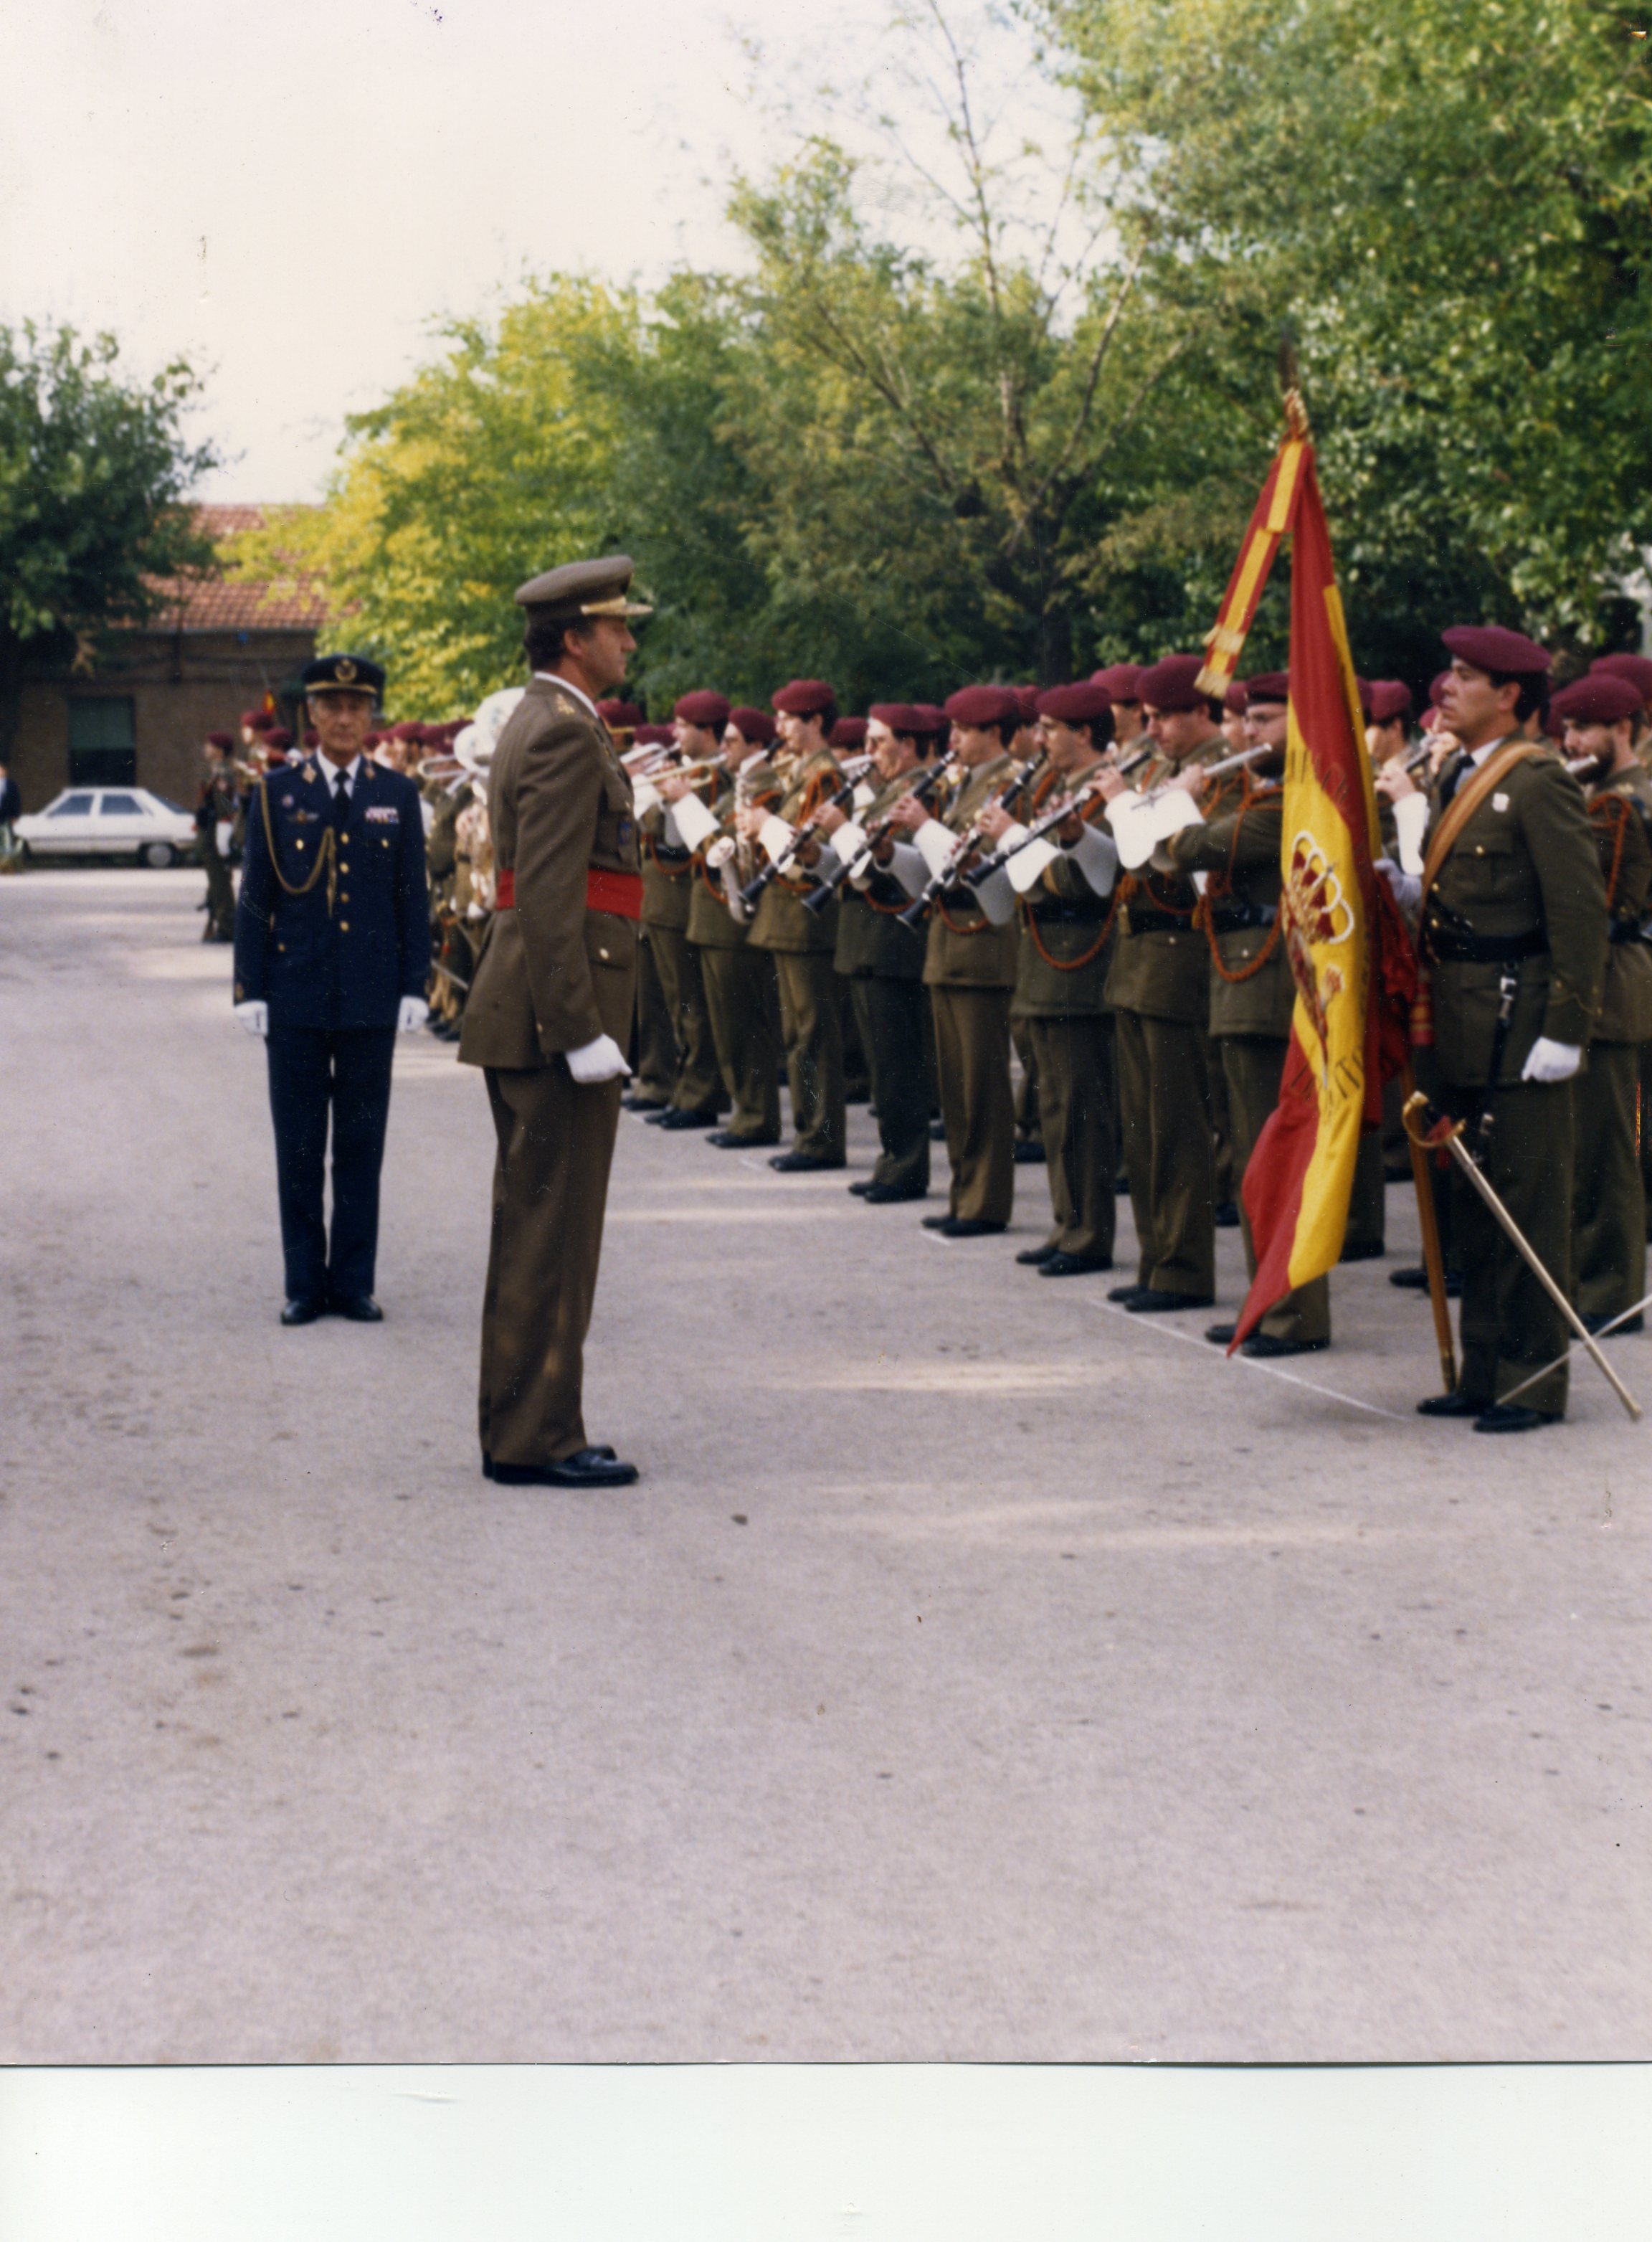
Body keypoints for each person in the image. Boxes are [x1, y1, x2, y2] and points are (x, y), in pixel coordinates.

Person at [457, 555, 650, 1489]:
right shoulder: (565, 730)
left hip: (538, 1003)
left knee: (542, 1223)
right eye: (618, 627)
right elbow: (548, 893)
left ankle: (531, 1423)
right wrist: (577, 1027)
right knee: (554, 1229)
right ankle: (538, 1435)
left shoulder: (548, 720)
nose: (630, 640)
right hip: (551, 1013)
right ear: (574, 637)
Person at [1410, 626, 1605, 1431]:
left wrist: (1567, 1029)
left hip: (1518, 1018)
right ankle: (1484, 1368)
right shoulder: (1459, 771)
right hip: (1458, 1015)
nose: (1445, 688)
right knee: (1475, 1201)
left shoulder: (1538, 781)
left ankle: (1531, 1379)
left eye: (1465, 677)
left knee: (1523, 1198)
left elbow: (1580, 914)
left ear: (1511, 696)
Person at [233, 656, 431, 1325]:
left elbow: (414, 898)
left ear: (370, 716)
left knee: (360, 1144)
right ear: (311, 716)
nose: (345, 717)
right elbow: (255, 899)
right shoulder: (275, 792)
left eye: (357, 706)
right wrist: (248, 987)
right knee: (297, 1144)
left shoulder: (398, 795)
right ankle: (302, 1285)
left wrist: (414, 984)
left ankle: (352, 1283)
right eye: (331, 705)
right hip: (294, 993)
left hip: (371, 996)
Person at [1161, 671, 1333, 1356]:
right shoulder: (1264, 791)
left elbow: (1196, 849)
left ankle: (1296, 1315)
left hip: (1269, 993)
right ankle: (1266, 1305)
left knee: (1279, 1161)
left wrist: (1181, 805)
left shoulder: (1296, 798)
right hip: (1242, 986)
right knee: (1252, 1163)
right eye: (1248, 719)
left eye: (1265, 719)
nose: (1248, 732)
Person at [1096, 655, 1233, 1312]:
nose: (1150, 730)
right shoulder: (1157, 769)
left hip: (1180, 958)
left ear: (1201, 712)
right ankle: (1157, 1260)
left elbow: (1165, 853)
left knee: (1178, 1127)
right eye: (1145, 717)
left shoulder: (1226, 771)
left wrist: (1130, 810)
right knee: (1143, 1126)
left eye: (1163, 717)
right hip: (1137, 959)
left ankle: (1183, 1268)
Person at [984, 681, 1121, 1275]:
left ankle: (1089, 1231)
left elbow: (1082, 880)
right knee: (1054, 1106)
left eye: (1051, 728)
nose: (1038, 739)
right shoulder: (1050, 786)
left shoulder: (1108, 792)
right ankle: (1067, 1222)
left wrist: (1014, 844)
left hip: (1080, 960)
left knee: (1081, 1107)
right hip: (1044, 959)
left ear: (1084, 733)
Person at [888, 685, 1023, 1238]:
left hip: (981, 941)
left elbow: (981, 866)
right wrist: (892, 852)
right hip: (949, 941)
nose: (954, 740)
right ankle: (962, 1192)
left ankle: (985, 1200)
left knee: (980, 1085)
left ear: (993, 734)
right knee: (955, 1084)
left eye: (964, 731)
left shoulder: (1008, 786)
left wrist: (923, 825)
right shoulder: (965, 784)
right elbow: (938, 865)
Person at [1552, 672, 1652, 1334]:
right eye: (1566, 729)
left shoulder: (1615, 804)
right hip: (1619, 976)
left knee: (1606, 1147)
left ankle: (1610, 1291)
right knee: (1603, 1139)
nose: (1572, 742)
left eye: (1584, 729)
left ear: (1623, 730)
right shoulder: (1617, 794)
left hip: (1612, 981)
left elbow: (1597, 900)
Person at [817, 701, 943, 1202]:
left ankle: (906, 1166)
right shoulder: (886, 791)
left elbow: (887, 865)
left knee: (898, 1063)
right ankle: (892, 1160)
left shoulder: (920, 790)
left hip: (893, 937)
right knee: (882, 1062)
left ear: (909, 745)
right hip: (868, 937)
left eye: (878, 742)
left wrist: (840, 832)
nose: (868, 752)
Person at [661, 704, 787, 1148]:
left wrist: (684, 801)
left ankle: (756, 1117)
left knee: (744, 1024)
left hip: (732, 918)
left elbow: (722, 844)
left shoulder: (763, 784)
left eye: (733, 741)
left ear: (756, 745)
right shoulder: (740, 784)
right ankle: (744, 1112)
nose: (726, 748)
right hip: (713, 916)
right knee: (726, 1022)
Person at [742, 679, 848, 1171]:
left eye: (790, 718)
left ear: (817, 723)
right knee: (797, 1033)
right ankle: (809, 1133)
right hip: (787, 920)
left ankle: (821, 1138)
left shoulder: (824, 775)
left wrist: (763, 824)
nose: (779, 727)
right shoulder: (802, 770)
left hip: (806, 919)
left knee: (812, 1035)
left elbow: (801, 853)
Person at [637, 693, 731, 1131]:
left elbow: (682, 839)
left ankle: (700, 1092)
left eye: (682, 725)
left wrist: (673, 800)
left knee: (692, 1004)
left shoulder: (718, 776)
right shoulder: (690, 771)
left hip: (683, 896)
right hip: (665, 900)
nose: (674, 734)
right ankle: (683, 1087)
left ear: (707, 731)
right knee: (678, 1004)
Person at [196, 732, 242, 943]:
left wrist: (224, 834)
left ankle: (228, 928)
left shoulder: (223, 773)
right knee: (216, 881)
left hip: (216, 835)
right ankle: (223, 924)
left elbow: (226, 807)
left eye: (210, 745)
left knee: (220, 882)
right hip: (209, 832)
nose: (206, 748)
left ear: (220, 751)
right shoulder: (216, 771)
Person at [0, 759, 22, 870]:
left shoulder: (11, 785)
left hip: (7, 816)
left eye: (1, 770)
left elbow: (16, 801)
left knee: (8, 840)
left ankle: (7, 863)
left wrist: (16, 816)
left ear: (5, 771)